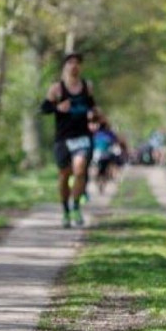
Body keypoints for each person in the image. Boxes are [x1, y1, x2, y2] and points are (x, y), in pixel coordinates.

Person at [40, 52, 101, 228]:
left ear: (80, 67)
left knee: (80, 170)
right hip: (63, 138)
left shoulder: (87, 86)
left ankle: (76, 207)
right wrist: (57, 107)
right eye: (70, 63)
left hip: (82, 136)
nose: (74, 66)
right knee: (64, 175)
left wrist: (95, 116)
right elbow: (44, 109)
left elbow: (91, 105)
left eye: (77, 63)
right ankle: (65, 210)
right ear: (65, 67)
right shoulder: (57, 88)